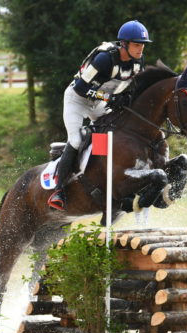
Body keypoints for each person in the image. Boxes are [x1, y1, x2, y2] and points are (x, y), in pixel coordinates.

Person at [47, 20, 152, 211]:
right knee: (77, 140)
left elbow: (134, 87)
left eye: (142, 44)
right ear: (124, 44)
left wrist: (125, 98)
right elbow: (81, 87)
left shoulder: (138, 62)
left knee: (115, 133)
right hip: (76, 100)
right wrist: (108, 98)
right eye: (137, 44)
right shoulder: (105, 59)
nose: (140, 49)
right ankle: (58, 190)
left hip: (100, 103)